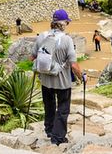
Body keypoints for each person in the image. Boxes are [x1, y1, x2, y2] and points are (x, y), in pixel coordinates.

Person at [32, 9, 82, 146]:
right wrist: (82, 76)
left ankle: (49, 130)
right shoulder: (67, 40)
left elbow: (32, 57)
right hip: (62, 82)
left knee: (49, 106)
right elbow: (73, 65)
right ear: (64, 23)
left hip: (45, 81)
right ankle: (58, 138)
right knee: (63, 109)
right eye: (67, 22)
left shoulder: (41, 36)